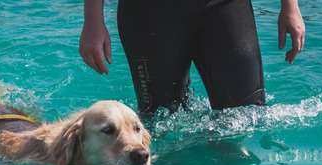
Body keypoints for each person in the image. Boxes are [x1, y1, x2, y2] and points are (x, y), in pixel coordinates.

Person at [79, 0, 305, 113]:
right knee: (164, 122)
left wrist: (290, 6)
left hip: (224, 6)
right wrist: (92, 19)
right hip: (150, 12)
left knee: (249, 115)